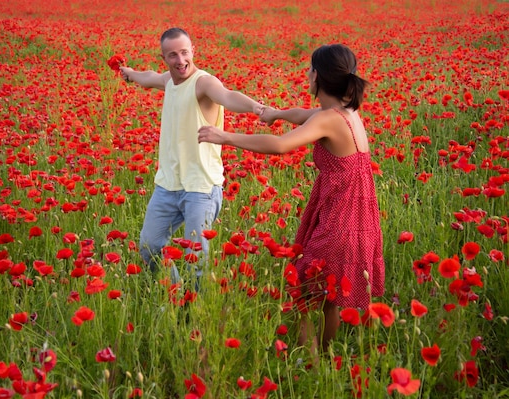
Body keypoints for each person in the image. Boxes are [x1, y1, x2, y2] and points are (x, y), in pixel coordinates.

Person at [198, 44, 385, 353]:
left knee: (299, 290)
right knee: (330, 297)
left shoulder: (330, 120)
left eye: (309, 70)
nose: (306, 75)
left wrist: (226, 137)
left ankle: (309, 362)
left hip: (339, 221)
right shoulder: (345, 112)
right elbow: (305, 115)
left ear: (317, 77)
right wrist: (276, 114)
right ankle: (322, 361)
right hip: (355, 217)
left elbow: (281, 146)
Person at [120, 27, 265, 288]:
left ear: (193, 51)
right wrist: (129, 74)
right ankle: (177, 292)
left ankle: (192, 313)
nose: (180, 60)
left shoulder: (203, 82)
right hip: (168, 185)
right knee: (149, 246)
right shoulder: (168, 80)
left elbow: (228, 96)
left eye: (184, 52)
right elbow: (149, 77)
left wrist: (256, 107)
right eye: (172, 55)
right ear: (164, 57)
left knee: (196, 260)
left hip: (200, 187)